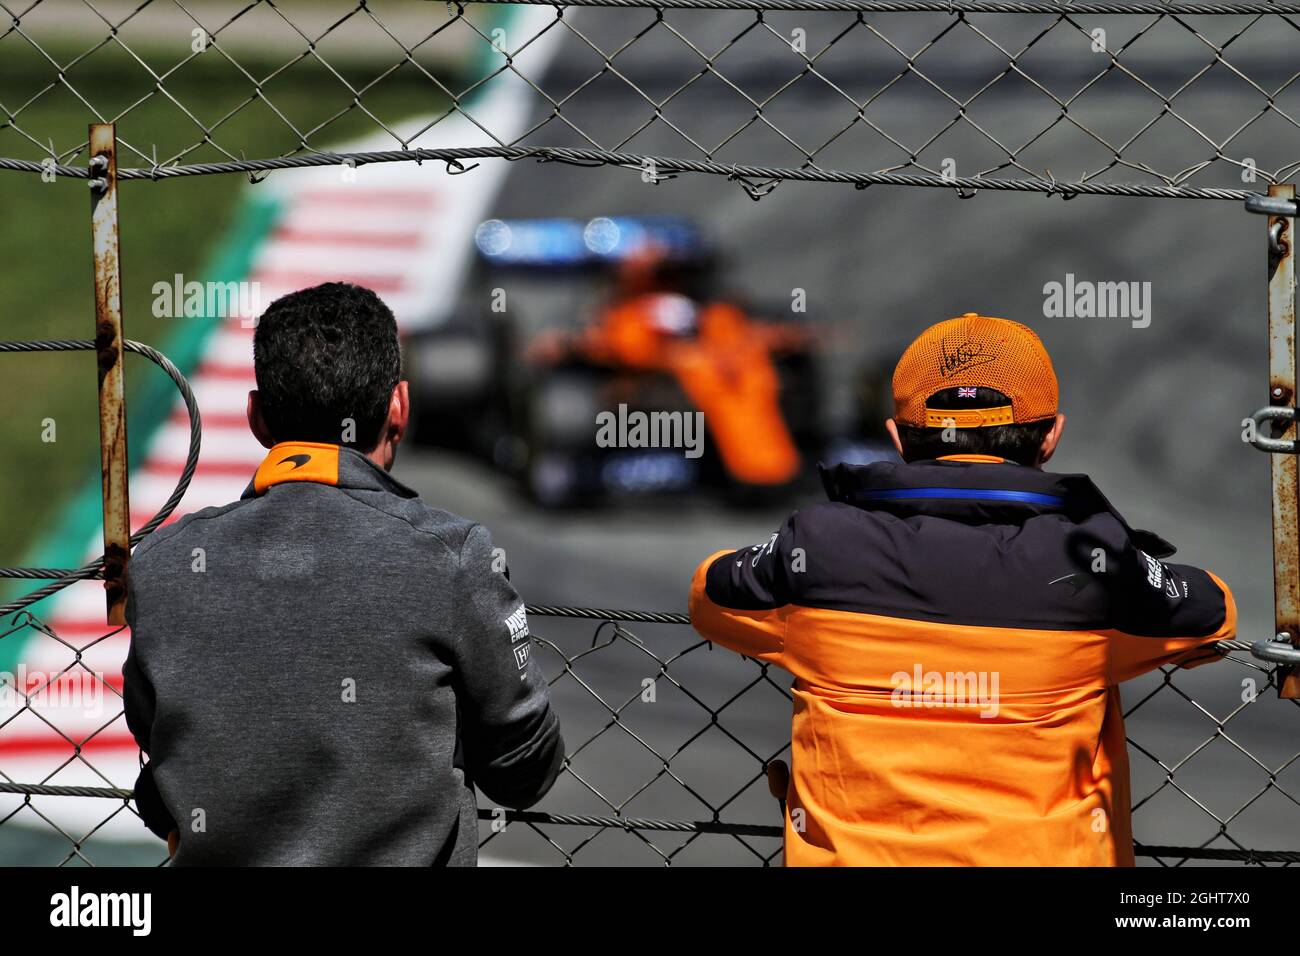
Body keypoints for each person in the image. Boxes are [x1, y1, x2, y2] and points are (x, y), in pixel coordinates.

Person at [689, 312, 1235, 866]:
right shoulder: (1091, 560)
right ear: (1051, 436)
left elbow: (709, 591)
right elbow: (1214, 612)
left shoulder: (818, 545)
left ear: (897, 438)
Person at [123, 282, 564, 865]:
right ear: (400, 406)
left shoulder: (163, 564)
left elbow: (160, 778)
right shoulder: (452, 557)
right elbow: (522, 772)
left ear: (256, 418)